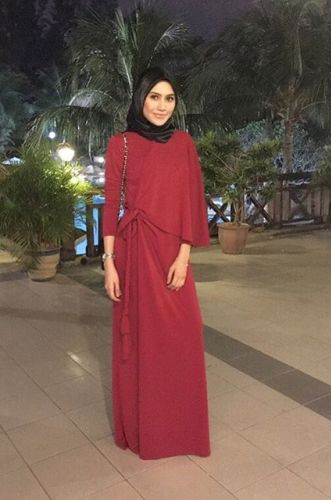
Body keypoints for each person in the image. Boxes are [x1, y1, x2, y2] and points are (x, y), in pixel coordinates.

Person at [102, 67, 211, 460]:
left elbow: (191, 201)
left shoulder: (183, 143)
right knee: (140, 344)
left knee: (183, 337)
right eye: (154, 97)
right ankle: (144, 430)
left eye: (169, 99)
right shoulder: (120, 144)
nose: (162, 106)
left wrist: (184, 256)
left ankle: (180, 430)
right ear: (140, 99)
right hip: (132, 253)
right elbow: (111, 205)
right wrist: (109, 263)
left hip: (171, 254)